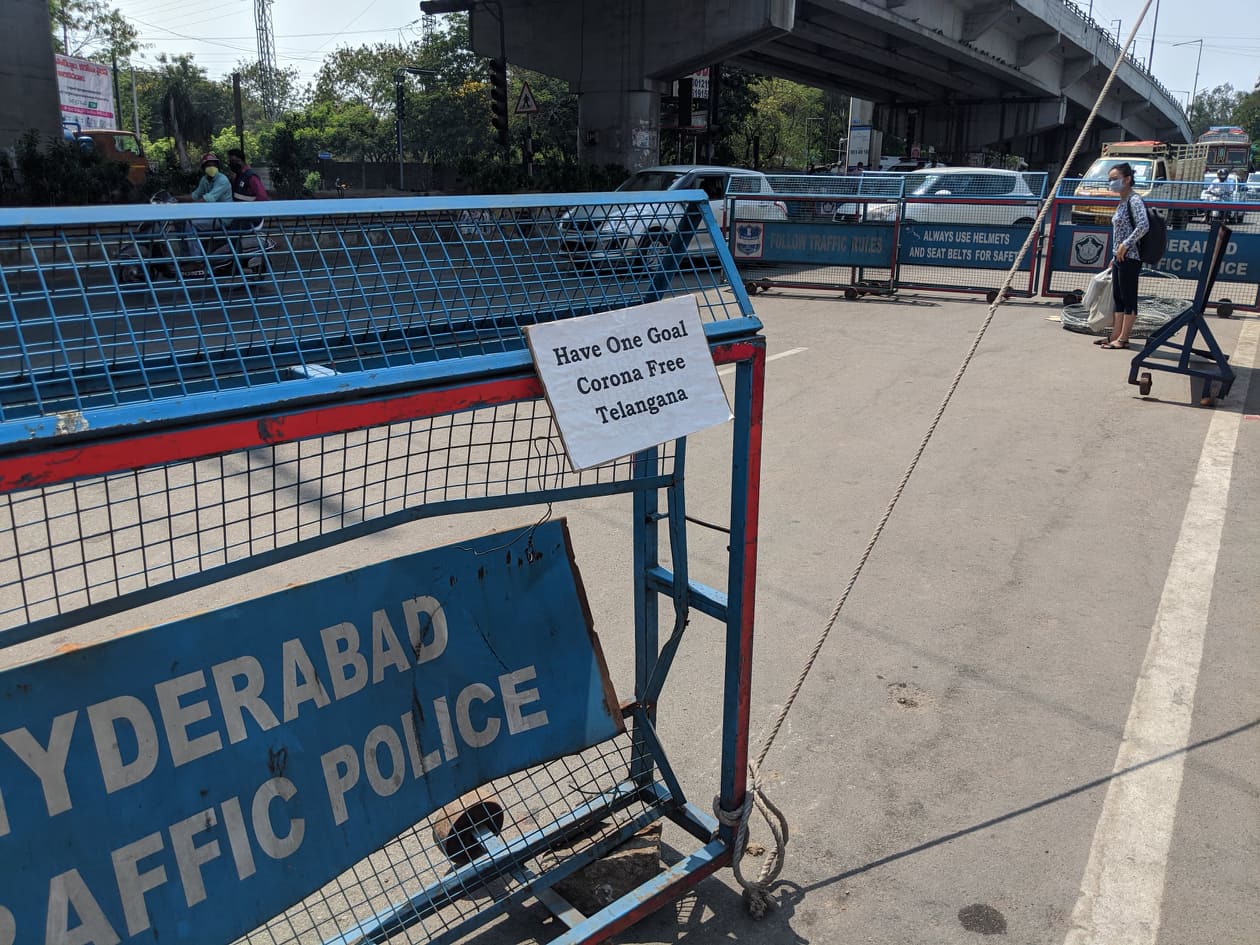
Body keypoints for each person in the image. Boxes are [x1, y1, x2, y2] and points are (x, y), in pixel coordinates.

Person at [1096, 161, 1148, 350]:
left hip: (1130, 257)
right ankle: (1115, 335)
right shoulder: (1123, 201)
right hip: (1119, 257)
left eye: (1114, 179)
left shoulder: (1134, 200)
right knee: (1118, 298)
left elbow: (1143, 225)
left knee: (1128, 298)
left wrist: (1125, 245)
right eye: (1109, 179)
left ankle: (1124, 338)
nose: (1111, 183)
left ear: (1127, 179)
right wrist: (1114, 255)